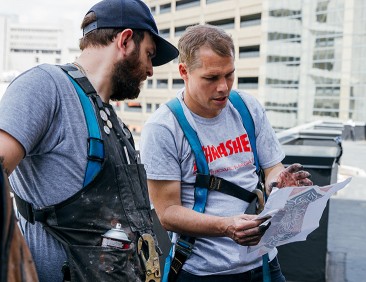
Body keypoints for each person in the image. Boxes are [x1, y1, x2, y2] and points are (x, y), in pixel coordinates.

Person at [0, 0, 179, 281]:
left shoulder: (114, 123)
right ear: (125, 40)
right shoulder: (45, 87)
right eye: (149, 54)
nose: (150, 69)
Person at [140, 24, 313, 281]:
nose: (223, 87)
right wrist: (225, 226)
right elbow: (168, 213)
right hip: (205, 272)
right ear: (184, 72)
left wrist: (278, 183)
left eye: (229, 75)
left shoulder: (247, 108)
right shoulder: (164, 127)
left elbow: (271, 167)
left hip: (264, 262)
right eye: (211, 78)